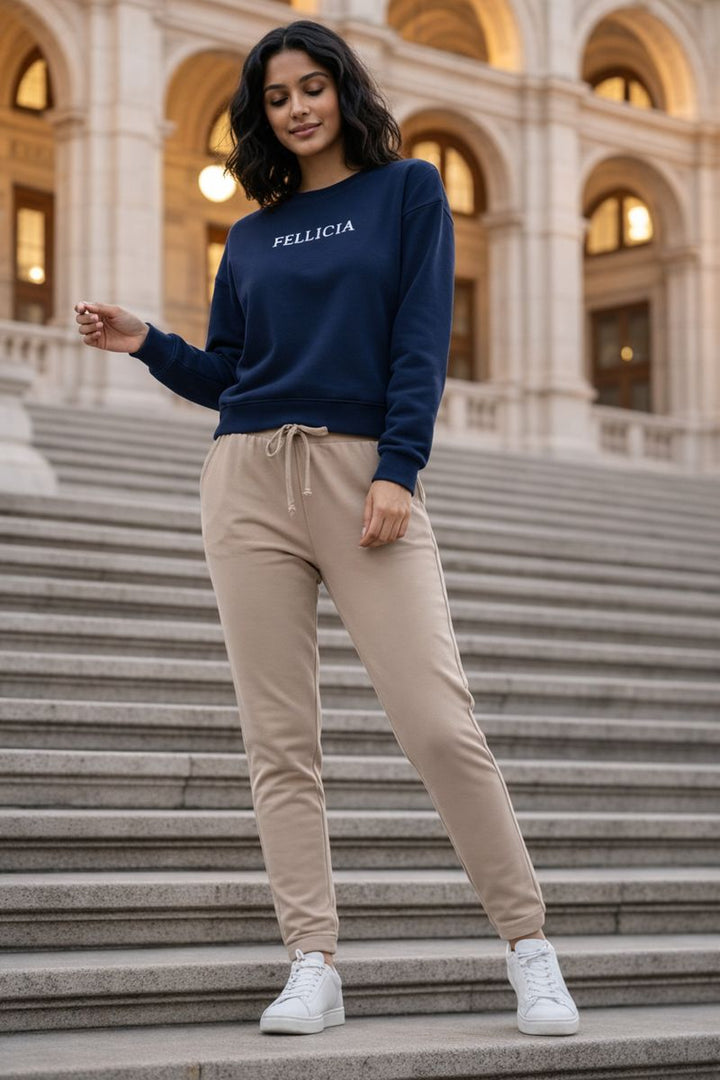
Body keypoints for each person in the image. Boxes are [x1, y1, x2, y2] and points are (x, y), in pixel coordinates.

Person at [74, 18, 579, 1040]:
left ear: (343, 90)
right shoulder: (250, 234)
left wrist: (400, 468)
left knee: (439, 726)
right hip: (246, 477)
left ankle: (529, 948)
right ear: (261, 115)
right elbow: (228, 375)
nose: (297, 107)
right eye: (277, 96)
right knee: (279, 741)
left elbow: (420, 336)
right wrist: (145, 344)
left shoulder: (409, 191)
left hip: (361, 477)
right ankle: (312, 959)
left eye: (313, 86)